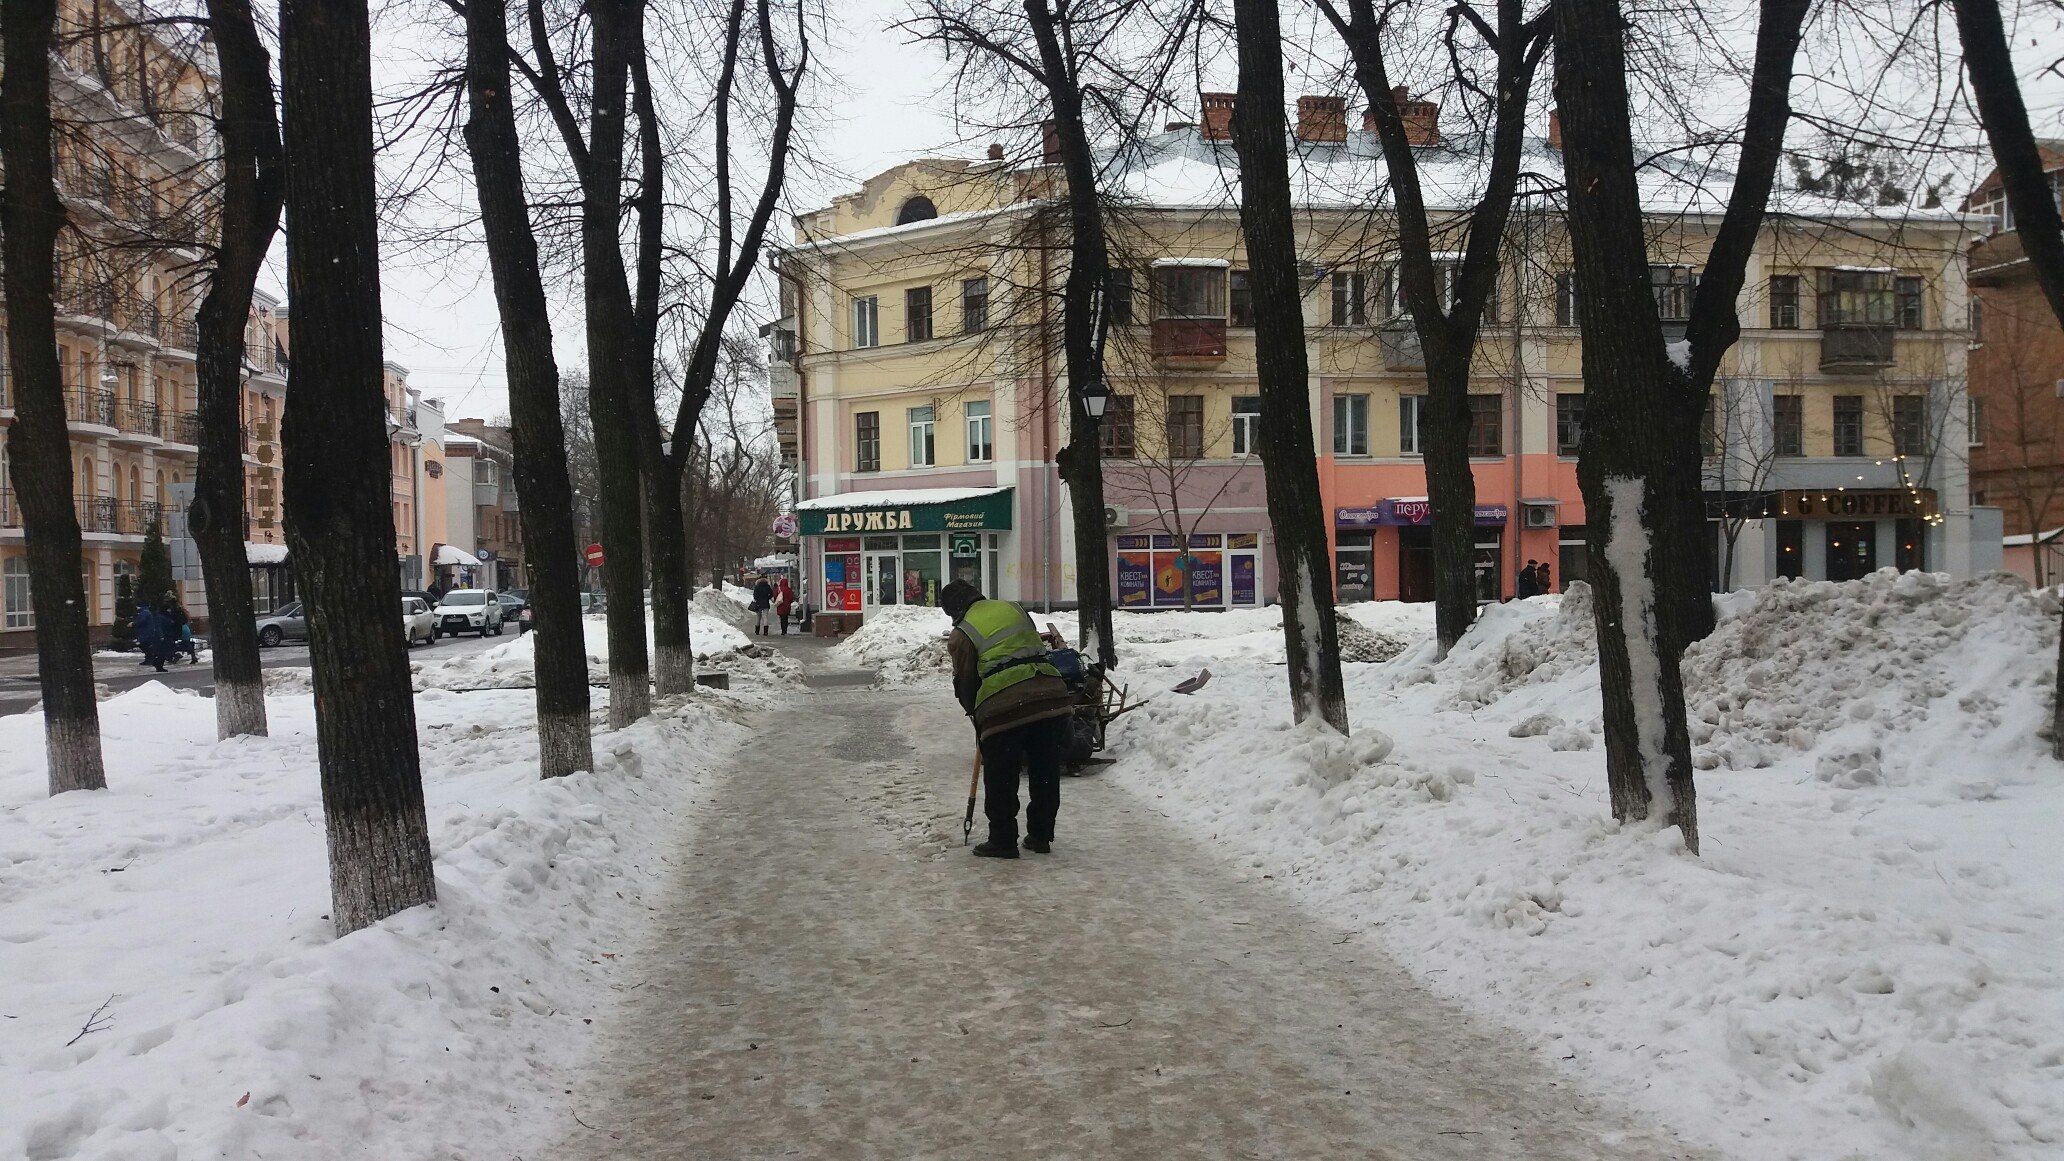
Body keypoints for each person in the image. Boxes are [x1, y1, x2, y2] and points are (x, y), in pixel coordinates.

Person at [940, 580, 1076, 859]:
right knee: (1045, 770)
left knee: (1001, 774)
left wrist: (976, 714)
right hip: (1050, 695)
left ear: (954, 610)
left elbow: (965, 682)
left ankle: (1003, 840)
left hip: (1005, 706)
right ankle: (1040, 835)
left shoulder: (962, 633)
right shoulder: (1013, 608)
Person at [161, 595, 199, 664]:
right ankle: (192, 657)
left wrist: (172, 623)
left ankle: (173, 656)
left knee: (172, 643)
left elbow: (175, 620)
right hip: (183, 627)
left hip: (179, 628)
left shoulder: (174, 609)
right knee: (185, 643)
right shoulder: (179, 608)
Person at [133, 601, 167, 673]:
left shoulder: (145, 613)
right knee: (153, 649)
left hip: (149, 634)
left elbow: (142, 622)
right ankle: (155, 662)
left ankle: (154, 661)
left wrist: (134, 624)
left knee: (151, 649)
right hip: (154, 634)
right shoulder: (149, 613)